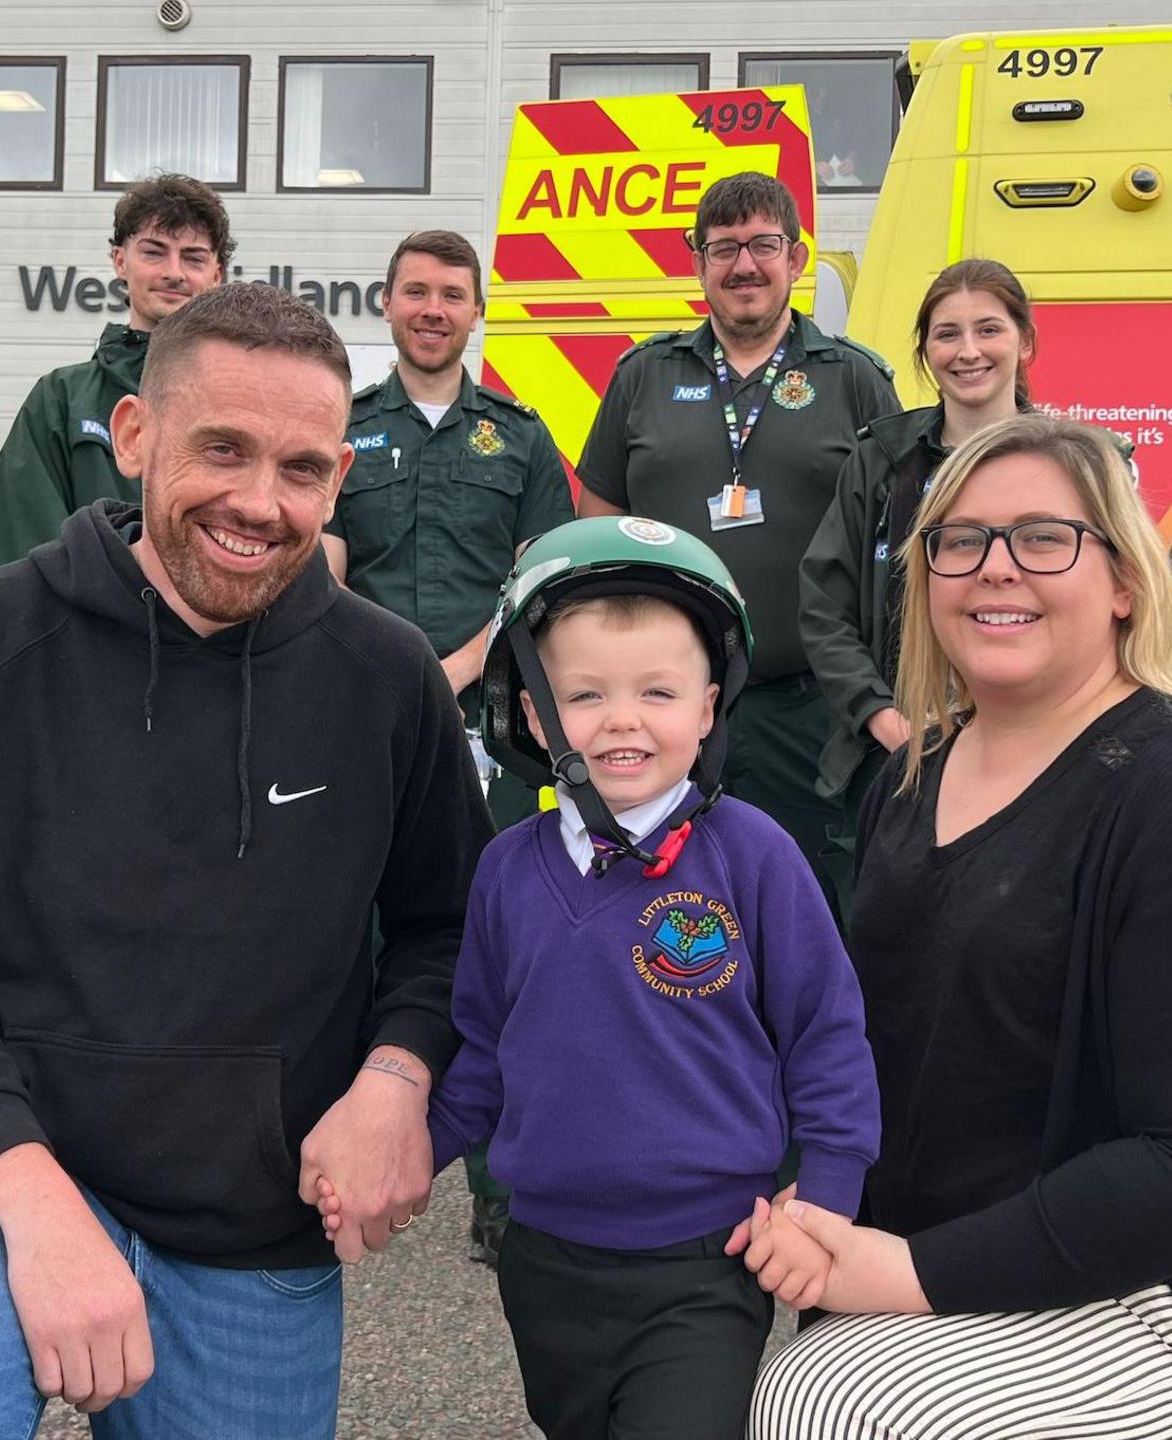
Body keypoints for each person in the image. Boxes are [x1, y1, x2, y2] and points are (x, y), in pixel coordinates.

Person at [0, 283, 490, 1439]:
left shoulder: (389, 680)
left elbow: (450, 933)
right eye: (223, 451)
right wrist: (34, 1201)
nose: (259, 503)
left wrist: (397, 1082)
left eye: (301, 470)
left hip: (248, 1218)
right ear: (135, 437)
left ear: (339, 477)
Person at [739, 413, 1172, 1439]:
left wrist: (912, 1271)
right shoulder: (911, 778)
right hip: (996, 1259)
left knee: (832, 1400)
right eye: (960, 540)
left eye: (1044, 537)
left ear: (1124, 579)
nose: (996, 568)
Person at [337, 515, 877, 1439]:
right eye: (585, 695)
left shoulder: (755, 858)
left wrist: (827, 1189)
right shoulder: (507, 869)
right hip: (544, 1260)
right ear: (536, 714)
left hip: (709, 1261)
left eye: (658, 692)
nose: (623, 720)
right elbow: (480, 1048)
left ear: (708, 707)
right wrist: (407, 1152)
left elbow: (826, 1034)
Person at [320, 227, 574, 1268]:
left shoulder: (517, 436)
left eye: (452, 294)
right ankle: (342, 1155)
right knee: (348, 936)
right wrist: (382, 669)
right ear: (386, 304)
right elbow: (319, 561)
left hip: (490, 724)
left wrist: (460, 667)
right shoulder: (346, 427)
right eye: (415, 292)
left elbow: (541, 573)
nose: (433, 308)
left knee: (498, 936)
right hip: (359, 719)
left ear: (478, 309)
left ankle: (499, 1186)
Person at [576, 171, 901, 911]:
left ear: (797, 257)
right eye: (723, 248)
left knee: (813, 905)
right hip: (665, 705)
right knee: (659, 898)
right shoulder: (643, 376)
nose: (744, 265)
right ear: (698, 264)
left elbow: (898, 540)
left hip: (814, 711)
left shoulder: (854, 380)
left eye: (763, 245)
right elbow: (598, 522)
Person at [800, 258, 1047, 889]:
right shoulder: (881, 461)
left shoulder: (1071, 464)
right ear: (925, 351)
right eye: (947, 334)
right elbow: (824, 606)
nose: (968, 352)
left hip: (1038, 754)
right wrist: (881, 716)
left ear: (1026, 342)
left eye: (988, 330)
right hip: (895, 758)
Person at [0, 173, 231, 570]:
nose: (174, 272)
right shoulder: (63, 398)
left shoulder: (242, 401)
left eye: (193, 257)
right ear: (120, 261)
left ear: (216, 274)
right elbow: (13, 547)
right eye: (154, 252)